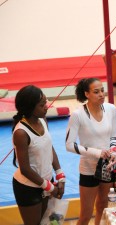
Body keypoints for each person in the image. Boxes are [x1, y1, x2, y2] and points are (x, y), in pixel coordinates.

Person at [65, 78, 116, 225]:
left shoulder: (111, 109)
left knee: (103, 205)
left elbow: (113, 136)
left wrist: (114, 152)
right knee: (86, 214)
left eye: (102, 90)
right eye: (96, 92)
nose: (101, 94)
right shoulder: (78, 115)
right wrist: (97, 152)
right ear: (87, 94)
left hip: (107, 166)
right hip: (88, 169)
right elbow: (69, 145)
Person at [12, 85, 65, 225]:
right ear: (30, 107)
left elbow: (49, 147)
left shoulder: (43, 120)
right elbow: (25, 169)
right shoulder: (21, 133)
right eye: (42, 105)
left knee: (48, 223)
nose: (46, 107)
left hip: (47, 182)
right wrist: (50, 187)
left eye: (46, 102)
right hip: (29, 187)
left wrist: (60, 174)